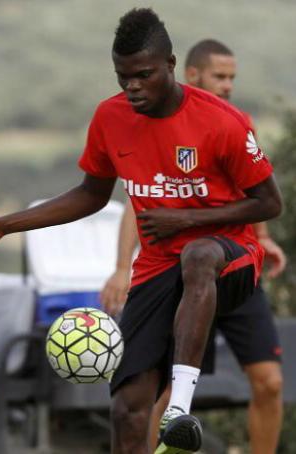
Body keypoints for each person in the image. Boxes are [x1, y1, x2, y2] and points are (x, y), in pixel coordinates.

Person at [0, 9, 282, 454]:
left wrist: (183, 220)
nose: (132, 87)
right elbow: (90, 194)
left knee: (199, 257)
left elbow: (269, 202)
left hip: (231, 256)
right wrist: (4, 225)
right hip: (157, 267)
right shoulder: (110, 118)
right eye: (123, 77)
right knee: (127, 408)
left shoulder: (222, 121)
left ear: (170, 65)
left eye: (143, 75)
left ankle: (179, 409)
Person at [100, 38, 285, 453]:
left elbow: (251, 196)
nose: (228, 85)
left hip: (233, 264)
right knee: (158, 395)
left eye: (233, 78)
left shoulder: (233, 121)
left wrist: (265, 239)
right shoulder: (160, 124)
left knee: (270, 382)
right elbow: (140, 202)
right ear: (192, 74)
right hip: (178, 271)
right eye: (220, 76)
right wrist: (121, 266)